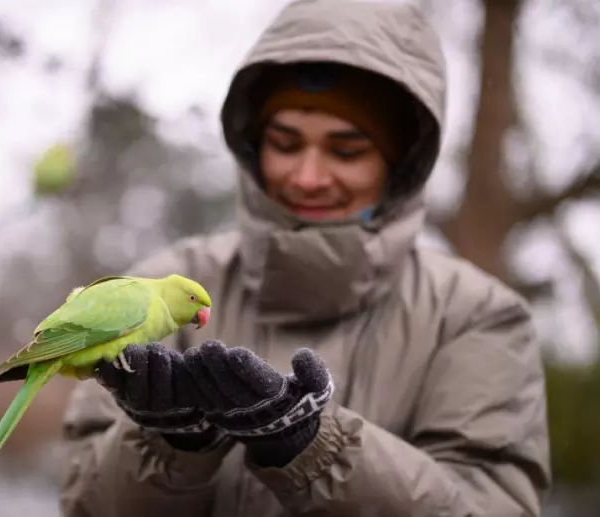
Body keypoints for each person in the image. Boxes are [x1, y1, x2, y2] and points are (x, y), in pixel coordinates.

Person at [58, 0, 551, 515]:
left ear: (401, 163)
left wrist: (315, 450)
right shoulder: (163, 284)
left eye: (346, 150)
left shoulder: (477, 316)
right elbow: (81, 503)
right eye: (285, 143)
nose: (308, 177)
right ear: (253, 145)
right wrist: (169, 445)